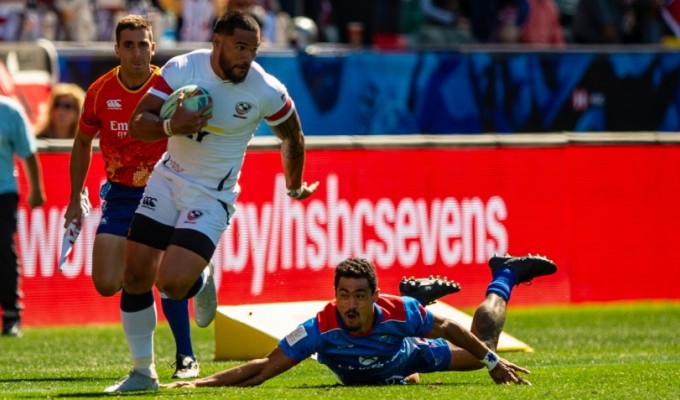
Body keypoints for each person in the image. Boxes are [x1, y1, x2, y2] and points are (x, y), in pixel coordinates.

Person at [103, 10, 319, 392]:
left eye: (252, 50)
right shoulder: (184, 68)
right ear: (216, 42)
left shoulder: (265, 89)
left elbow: (293, 136)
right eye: (239, 47)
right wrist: (173, 125)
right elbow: (140, 122)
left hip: (213, 194)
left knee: (171, 282)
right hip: (167, 180)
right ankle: (141, 374)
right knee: (134, 276)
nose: (246, 57)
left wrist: (294, 185)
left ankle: (200, 279)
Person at [62, 14, 214, 383]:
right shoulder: (100, 91)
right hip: (121, 194)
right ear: (116, 50)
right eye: (127, 45)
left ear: (153, 47)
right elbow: (83, 141)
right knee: (106, 282)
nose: (136, 53)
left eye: (142, 44)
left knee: (154, 274)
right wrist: (74, 195)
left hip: (166, 188)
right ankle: (201, 279)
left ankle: (174, 359)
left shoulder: (173, 85)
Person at [161, 254, 557, 388]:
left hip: (407, 354)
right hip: (386, 370)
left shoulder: (396, 312)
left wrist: (491, 362)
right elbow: (263, 369)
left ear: (374, 297)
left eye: (360, 296)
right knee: (407, 385)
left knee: (483, 342)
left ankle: (504, 273)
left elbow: (451, 328)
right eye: (344, 295)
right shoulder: (321, 327)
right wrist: (200, 382)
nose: (350, 304)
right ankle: (417, 291)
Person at [0, 94, 46, 337]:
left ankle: (10, 314)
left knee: (4, 250)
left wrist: (36, 190)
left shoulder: (9, 111)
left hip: (3, 192)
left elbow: (28, 152)